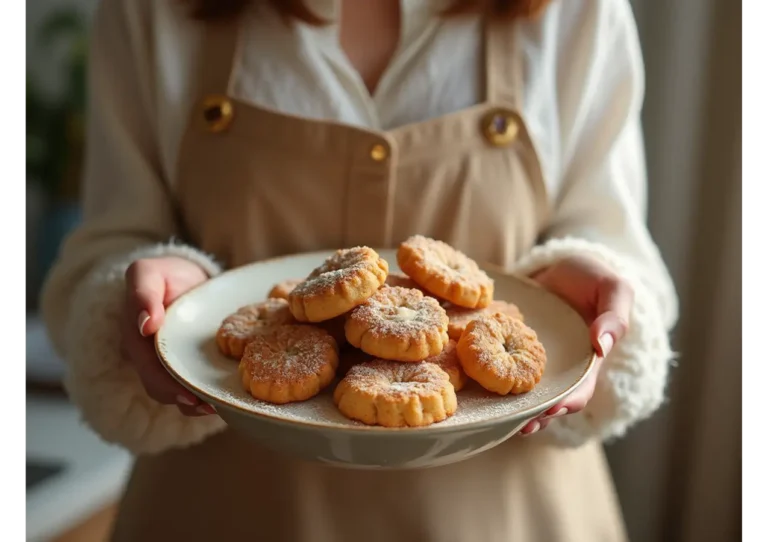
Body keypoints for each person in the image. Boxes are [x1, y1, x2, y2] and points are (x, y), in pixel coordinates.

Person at [40, 0, 678, 540]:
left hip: (511, 511)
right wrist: (149, 291)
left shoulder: (579, 11)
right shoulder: (151, 10)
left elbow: (612, 232)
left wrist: (587, 277)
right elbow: (110, 237)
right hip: (226, 505)